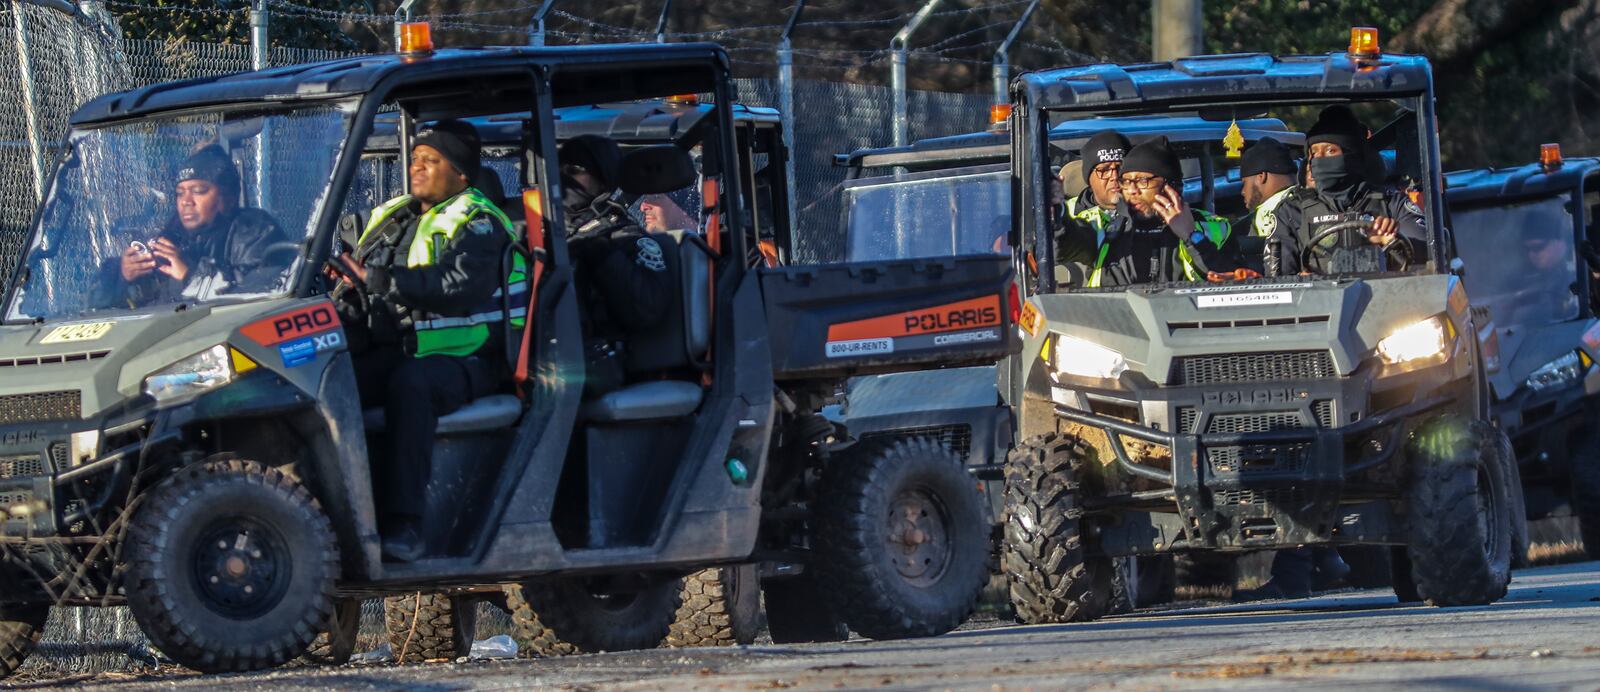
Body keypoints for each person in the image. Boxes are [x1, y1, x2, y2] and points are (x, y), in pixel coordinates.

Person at [332, 120, 522, 562]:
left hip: (468, 357)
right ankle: (337, 514)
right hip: (398, 349)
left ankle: (406, 525)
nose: (416, 167)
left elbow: (456, 285)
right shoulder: (391, 216)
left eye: (431, 161)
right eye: (415, 159)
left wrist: (379, 280)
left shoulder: (478, 220)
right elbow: (361, 277)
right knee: (328, 381)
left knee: (411, 386)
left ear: (461, 174)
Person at [97, 145, 287, 308]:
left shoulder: (255, 232)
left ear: (228, 198)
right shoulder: (174, 237)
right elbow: (100, 304)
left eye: (199, 191)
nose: (186, 201)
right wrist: (125, 276)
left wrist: (190, 277)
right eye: (180, 193)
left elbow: (259, 296)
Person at [558, 134, 672, 395]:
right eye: (559, 170)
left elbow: (648, 308)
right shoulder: (536, 231)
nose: (563, 179)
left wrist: (599, 253)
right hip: (540, 350)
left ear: (602, 178)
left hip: (597, 359)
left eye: (574, 171)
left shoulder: (623, 236)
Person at [1265, 106, 1425, 275]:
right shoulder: (1291, 212)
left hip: (1384, 299)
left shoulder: (1392, 204)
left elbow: (1428, 263)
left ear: (1351, 156)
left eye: (1330, 150)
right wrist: (1301, 280)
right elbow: (1276, 281)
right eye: (1313, 153)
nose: (1320, 159)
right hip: (1315, 300)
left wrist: (1389, 243)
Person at [1078, 137, 1235, 287]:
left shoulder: (1214, 227)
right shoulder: (1101, 227)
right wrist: (1057, 212)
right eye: (1126, 181)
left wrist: (1191, 236)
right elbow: (1063, 247)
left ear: (1171, 186)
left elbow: (1236, 288)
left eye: (1143, 181)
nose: (1132, 190)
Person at [1056, 131, 1130, 266]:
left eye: (1121, 167)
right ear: (1088, 178)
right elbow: (1060, 247)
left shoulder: (1149, 212)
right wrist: (1054, 214)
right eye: (1104, 170)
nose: (1114, 176)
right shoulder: (1069, 215)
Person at [1238, 137, 1299, 237]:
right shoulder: (1311, 201)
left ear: (1261, 176)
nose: (1243, 192)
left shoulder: (1270, 211)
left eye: (1244, 183)